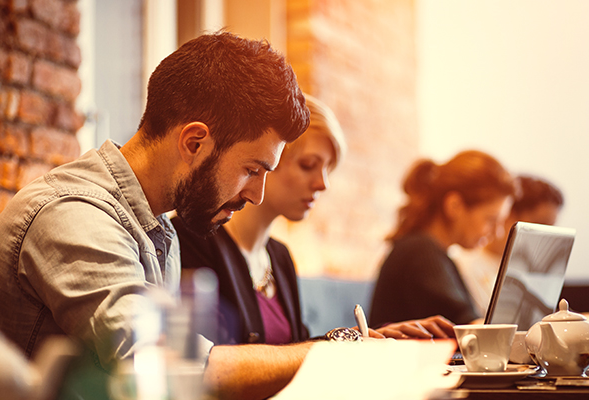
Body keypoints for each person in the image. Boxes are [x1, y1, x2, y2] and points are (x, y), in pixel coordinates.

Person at [0, 31, 312, 400]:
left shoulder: (158, 230)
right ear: (194, 143)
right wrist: (329, 355)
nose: (256, 195)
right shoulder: (75, 216)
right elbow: (162, 368)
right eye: (252, 170)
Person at [172, 94, 456, 345]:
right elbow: (216, 367)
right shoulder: (194, 239)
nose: (323, 184)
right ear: (269, 158)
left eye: (328, 169)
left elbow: (295, 352)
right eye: (308, 165)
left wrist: (374, 337)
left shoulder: (279, 257)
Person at [369, 150, 517, 327]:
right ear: (454, 206)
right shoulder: (421, 253)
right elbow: (470, 329)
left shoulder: (430, 251)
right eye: (491, 220)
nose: (498, 232)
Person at [451, 174, 564, 315]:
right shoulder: (461, 263)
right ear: (508, 214)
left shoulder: (531, 270)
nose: (546, 237)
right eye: (540, 224)